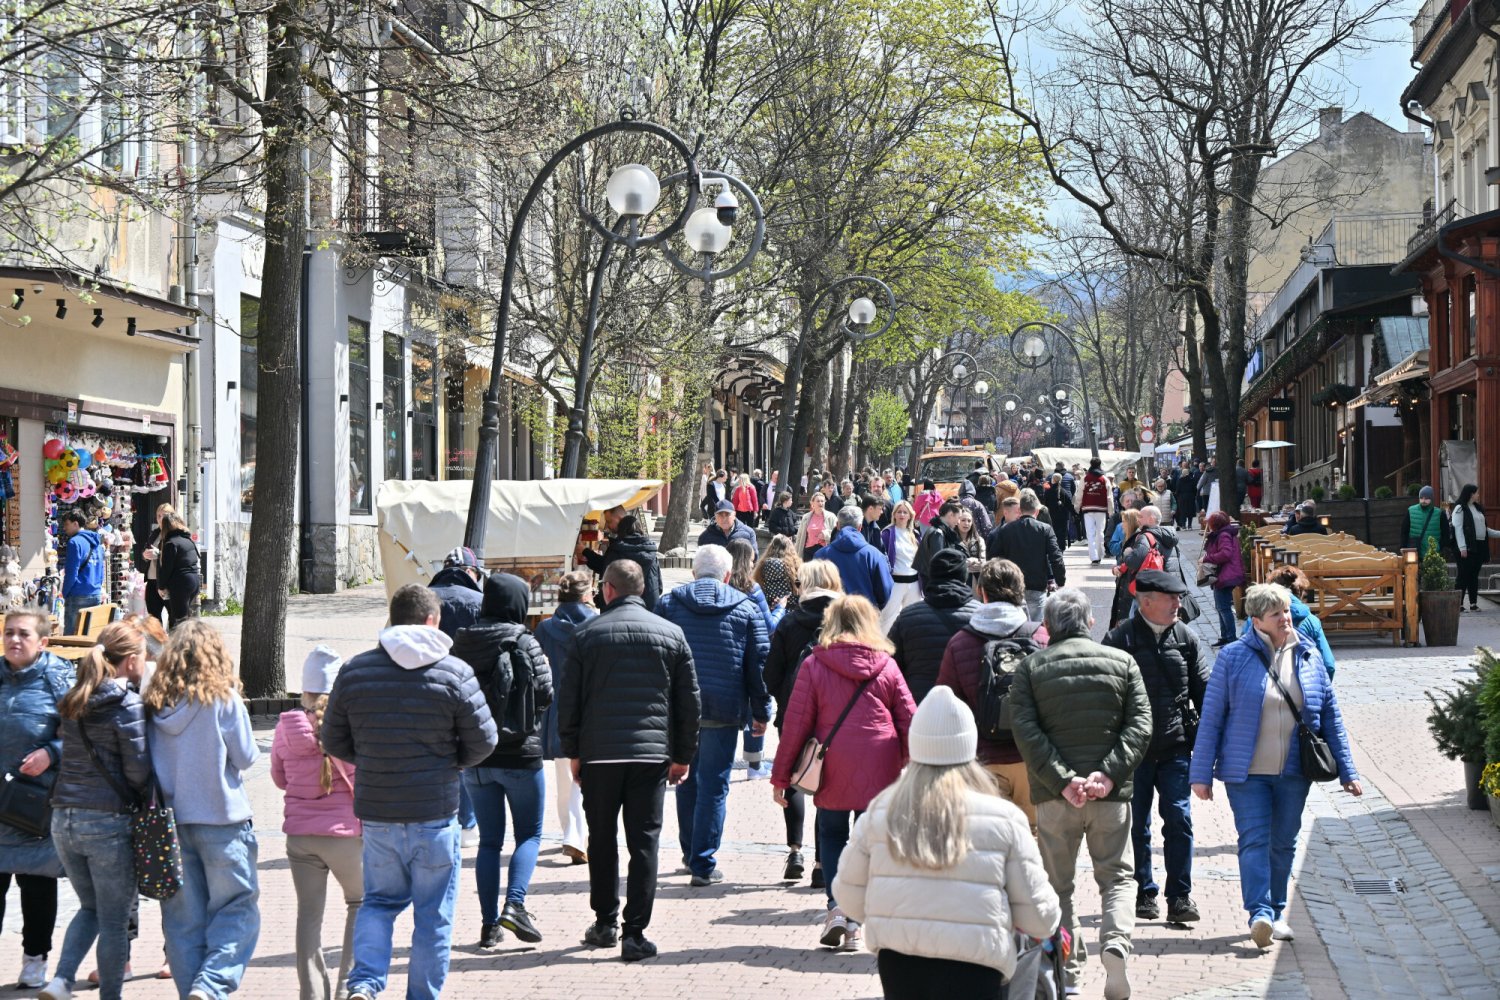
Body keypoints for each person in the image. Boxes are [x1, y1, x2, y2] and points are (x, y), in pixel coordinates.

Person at [321, 585, 498, 1000]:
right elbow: (484, 741)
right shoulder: (454, 672)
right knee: (433, 916)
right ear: (433, 620)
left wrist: (369, 758)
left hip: (379, 812)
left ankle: (364, 984)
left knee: (378, 903)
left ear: (392, 617)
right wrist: (453, 760)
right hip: (434, 811)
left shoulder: (356, 670)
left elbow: (333, 738)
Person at [833, 687, 1062, 996]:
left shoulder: (882, 811)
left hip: (899, 964)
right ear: (969, 747)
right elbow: (1040, 915)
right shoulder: (1003, 818)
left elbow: (847, 894)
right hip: (977, 968)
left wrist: (890, 917)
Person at [1190, 584, 1360, 949]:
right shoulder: (1233, 658)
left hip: (1295, 773)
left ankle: (1277, 910)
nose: (1285, 619)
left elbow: (1331, 718)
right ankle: (1259, 914)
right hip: (1246, 773)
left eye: (1286, 611)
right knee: (1255, 840)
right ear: (1256, 621)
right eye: (1276, 615)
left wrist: (1348, 771)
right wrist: (1200, 774)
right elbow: (1212, 719)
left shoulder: (1309, 654)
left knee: (1283, 843)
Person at [1009, 588, 1152, 1000]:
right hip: (1110, 796)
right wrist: (1107, 776)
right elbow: (1140, 726)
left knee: (1058, 886)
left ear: (1048, 626)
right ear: (1090, 622)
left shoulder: (1032, 668)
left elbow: (1026, 732)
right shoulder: (1123, 663)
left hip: (1056, 798)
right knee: (1118, 878)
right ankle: (1116, 945)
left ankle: (1068, 970)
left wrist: (1063, 780)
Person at [560, 559, 700, 961]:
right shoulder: (671, 634)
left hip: (600, 754)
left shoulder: (586, 634)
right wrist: (682, 754)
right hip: (650, 755)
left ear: (607, 590)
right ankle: (634, 932)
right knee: (644, 842)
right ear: (641, 590)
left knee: (601, 839)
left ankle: (605, 922)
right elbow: (688, 701)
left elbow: (569, 699)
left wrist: (573, 751)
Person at [770, 595, 916, 951]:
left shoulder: (814, 665)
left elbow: (796, 725)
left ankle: (837, 909)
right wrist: (913, 766)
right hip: (880, 765)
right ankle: (860, 920)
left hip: (832, 763)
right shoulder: (886, 665)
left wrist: (781, 776)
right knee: (871, 842)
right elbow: (909, 718)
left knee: (833, 834)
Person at [145, 621, 262, 999]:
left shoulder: (154, 703)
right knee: (237, 908)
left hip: (172, 824)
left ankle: (192, 991)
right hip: (222, 819)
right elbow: (245, 757)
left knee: (182, 921)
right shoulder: (223, 699)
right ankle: (211, 986)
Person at [36, 622, 150, 1000]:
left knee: (90, 908)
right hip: (107, 822)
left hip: (63, 818)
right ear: (131, 661)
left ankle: (60, 980)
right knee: (115, 922)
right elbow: (137, 770)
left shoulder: (74, 701)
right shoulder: (126, 703)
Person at [449, 572, 554, 948]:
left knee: (489, 841)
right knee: (528, 834)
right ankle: (516, 905)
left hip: (477, 756)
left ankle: (488, 924)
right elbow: (546, 691)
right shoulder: (525, 639)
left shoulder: (462, 641)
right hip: (522, 753)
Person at [1102, 571, 1211, 928]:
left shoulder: (1186, 638)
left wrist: (1213, 742)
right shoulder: (1119, 640)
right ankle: (1143, 891)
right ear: (1146, 601)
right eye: (1172, 598)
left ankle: (1179, 895)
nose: (1179, 604)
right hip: (1134, 752)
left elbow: (1204, 693)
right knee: (1137, 824)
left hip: (1176, 745)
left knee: (1179, 819)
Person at [656, 546, 770, 886]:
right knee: (714, 784)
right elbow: (758, 665)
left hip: (679, 709)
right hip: (723, 707)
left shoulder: (669, 604)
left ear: (693, 572)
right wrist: (761, 711)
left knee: (685, 779)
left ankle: (691, 851)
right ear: (726, 574)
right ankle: (703, 861)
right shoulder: (746, 608)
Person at [271, 647, 363, 1000]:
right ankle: (348, 990)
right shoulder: (351, 726)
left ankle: (311, 993)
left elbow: (280, 779)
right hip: (345, 835)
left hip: (300, 836)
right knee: (360, 902)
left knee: (308, 917)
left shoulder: (285, 726)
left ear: (303, 689)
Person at [936, 558, 1044, 832]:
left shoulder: (961, 642)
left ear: (982, 592)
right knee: (1033, 843)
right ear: (1021, 592)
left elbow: (946, 703)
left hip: (982, 759)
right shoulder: (1040, 637)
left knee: (988, 840)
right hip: (1031, 757)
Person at [0, 608, 71, 990]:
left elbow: (80, 732)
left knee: (37, 887)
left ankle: (34, 960)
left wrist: (51, 753)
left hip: (35, 805)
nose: (14, 640)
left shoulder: (59, 678)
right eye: (8, 632)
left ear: (42, 642)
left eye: (23, 634)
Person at [763, 560, 843, 885]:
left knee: (794, 777)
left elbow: (770, 674)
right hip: (833, 716)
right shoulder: (844, 621)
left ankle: (794, 849)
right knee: (827, 783)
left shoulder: (789, 623)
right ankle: (822, 863)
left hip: (793, 712)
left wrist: (783, 696)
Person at [534, 571, 596, 866]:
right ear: (587, 595)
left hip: (559, 708)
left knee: (565, 779)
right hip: (594, 707)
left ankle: (573, 835)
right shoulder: (597, 624)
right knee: (595, 777)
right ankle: (589, 833)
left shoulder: (545, 629)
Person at [890, 549, 979, 705]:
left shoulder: (907, 616)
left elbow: (891, 667)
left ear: (932, 575)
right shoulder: (981, 616)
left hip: (919, 706)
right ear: (964, 577)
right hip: (968, 707)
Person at [988, 489, 1066, 622]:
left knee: (1015, 625)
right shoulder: (1045, 529)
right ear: (1036, 511)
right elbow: (1056, 557)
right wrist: (1060, 581)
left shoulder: (1006, 530)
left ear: (1019, 510)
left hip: (1011, 585)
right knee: (1035, 628)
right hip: (1036, 585)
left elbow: (994, 557)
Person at [815, 506, 894, 609]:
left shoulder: (820, 555)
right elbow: (886, 593)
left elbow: (814, 592)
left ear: (838, 525)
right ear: (860, 527)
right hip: (864, 616)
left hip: (830, 617)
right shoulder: (875, 555)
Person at [1265, 567, 1337, 679]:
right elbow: (1328, 665)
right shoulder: (1311, 621)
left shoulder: (1256, 619)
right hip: (1303, 685)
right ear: (1301, 591)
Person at [584, 514, 663, 611]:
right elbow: (659, 587)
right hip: (648, 610)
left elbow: (606, 575)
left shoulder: (616, 550)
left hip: (617, 611)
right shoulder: (652, 554)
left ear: (621, 530)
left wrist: (598, 600)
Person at [1201, 511, 1247, 647]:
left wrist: (1206, 558)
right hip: (1224, 574)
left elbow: (1225, 554)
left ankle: (1231, 638)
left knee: (1224, 607)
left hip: (1226, 574)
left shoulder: (1224, 535)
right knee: (1220, 606)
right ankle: (1225, 636)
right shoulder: (1223, 533)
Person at [878, 500, 926, 632]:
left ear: (910, 515)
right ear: (894, 514)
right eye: (899, 511)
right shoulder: (887, 533)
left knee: (912, 619)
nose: (902, 515)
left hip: (914, 584)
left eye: (905, 512)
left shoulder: (915, 534)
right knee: (887, 619)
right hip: (895, 584)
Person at [1453, 483, 1500, 612]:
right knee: (1463, 575)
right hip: (1466, 547)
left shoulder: (1478, 508)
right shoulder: (1460, 508)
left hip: (1479, 546)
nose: (1478, 495)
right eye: (1477, 493)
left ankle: (1473, 603)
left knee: (1474, 575)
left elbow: (1484, 530)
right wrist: (1462, 547)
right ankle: (1459, 604)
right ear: (1471, 494)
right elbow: (1458, 529)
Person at [59, 510, 106, 634]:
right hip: (95, 593)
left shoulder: (74, 542)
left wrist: (65, 592)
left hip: (77, 594)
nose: (64, 528)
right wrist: (98, 588)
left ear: (75, 524)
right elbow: (101, 570)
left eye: (66, 524)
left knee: (72, 638)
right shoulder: (97, 543)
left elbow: (71, 572)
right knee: (89, 635)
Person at [156, 511, 202, 625]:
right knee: (185, 617)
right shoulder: (188, 540)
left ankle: (181, 641)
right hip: (194, 581)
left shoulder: (171, 543)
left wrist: (161, 586)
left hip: (180, 583)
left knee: (179, 620)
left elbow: (166, 569)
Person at [429, 546, 484, 636]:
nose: (476, 582)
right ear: (469, 571)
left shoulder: (423, 596)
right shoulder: (481, 600)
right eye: (477, 577)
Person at [135, 503, 173, 624]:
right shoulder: (155, 533)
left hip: (167, 581)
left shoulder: (174, 534)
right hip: (152, 580)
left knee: (173, 615)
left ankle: (174, 641)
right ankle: (157, 641)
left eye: (164, 515)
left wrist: (159, 554)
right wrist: (145, 555)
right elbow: (146, 549)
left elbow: (175, 556)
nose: (160, 519)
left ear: (171, 516)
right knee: (153, 617)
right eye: (158, 515)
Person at [1078, 458, 1115, 564]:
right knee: (1100, 532)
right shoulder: (1104, 479)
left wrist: (1077, 507)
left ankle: (1094, 557)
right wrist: (1111, 511)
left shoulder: (1085, 478)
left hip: (1087, 508)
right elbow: (1109, 497)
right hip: (1101, 509)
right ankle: (1100, 554)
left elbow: (1079, 494)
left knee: (1090, 533)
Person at [1403, 485, 1445, 557]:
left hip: (1433, 553)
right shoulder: (1411, 511)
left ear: (1431, 499)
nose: (1423, 501)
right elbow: (1404, 531)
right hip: (1414, 552)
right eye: (1421, 498)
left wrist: (1439, 547)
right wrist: (1403, 548)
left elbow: (1445, 533)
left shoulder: (1439, 513)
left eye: (1426, 498)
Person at [796, 490, 834, 561]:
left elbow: (836, 534)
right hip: (808, 550)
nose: (821, 503)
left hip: (824, 550)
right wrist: (796, 553)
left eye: (822, 501)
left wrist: (825, 535)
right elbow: (800, 536)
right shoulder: (806, 517)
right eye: (818, 501)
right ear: (812, 503)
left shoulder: (831, 517)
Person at [954, 508, 986, 577]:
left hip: (975, 582)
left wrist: (963, 565)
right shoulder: (951, 540)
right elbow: (952, 565)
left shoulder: (979, 540)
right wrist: (973, 560)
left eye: (969, 521)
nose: (966, 523)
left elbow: (983, 564)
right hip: (957, 581)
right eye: (963, 520)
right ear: (957, 521)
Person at [1174, 463, 1199, 530]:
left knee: (1183, 512)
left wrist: (1178, 496)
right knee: (1190, 512)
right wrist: (1193, 495)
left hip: (1182, 498)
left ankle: (1184, 525)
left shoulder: (1180, 480)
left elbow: (1177, 490)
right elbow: (1195, 489)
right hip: (1190, 497)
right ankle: (1190, 525)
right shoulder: (1192, 480)